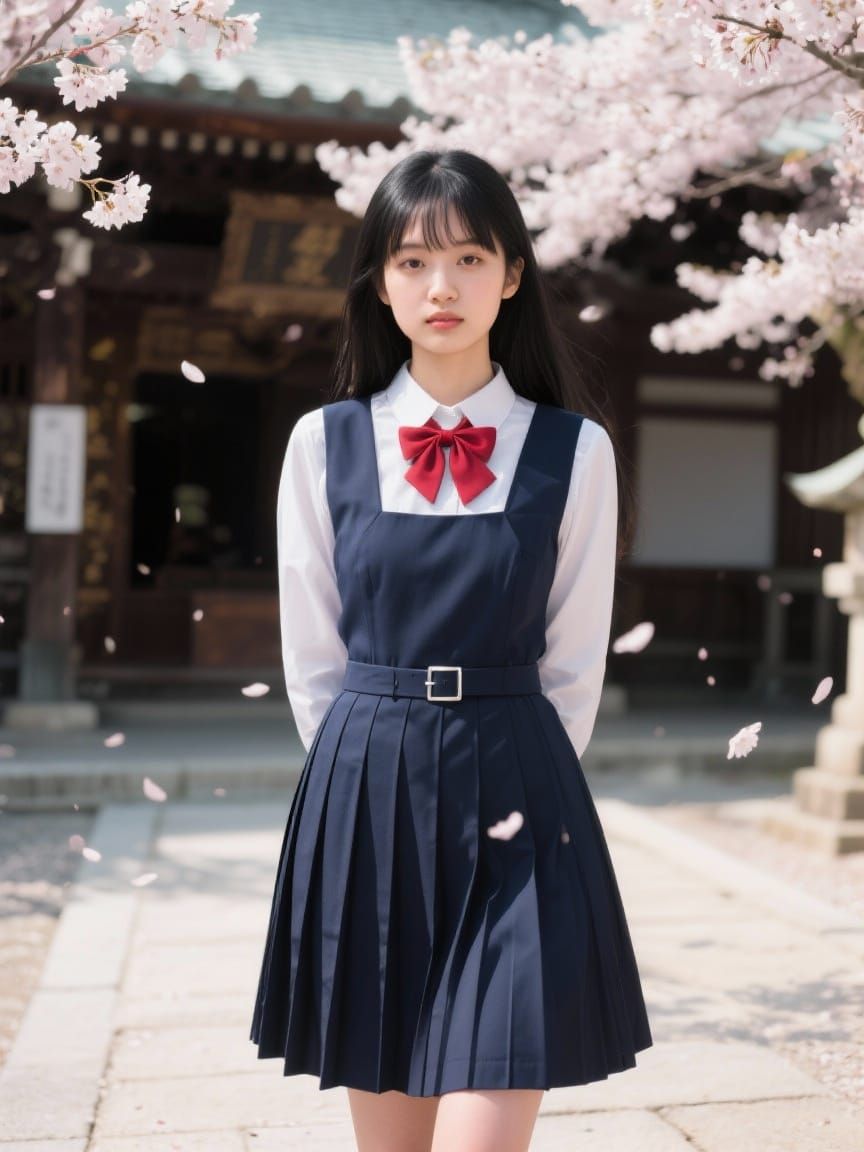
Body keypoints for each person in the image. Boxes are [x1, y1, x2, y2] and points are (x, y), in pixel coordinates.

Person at [249, 148, 653, 1152]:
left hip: (521, 791)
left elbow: (574, 658)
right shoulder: (323, 444)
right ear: (379, 284)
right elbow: (312, 649)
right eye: (413, 262)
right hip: (368, 789)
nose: (442, 287)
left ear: (512, 275)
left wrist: (517, 765)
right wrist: (361, 767)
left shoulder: (575, 451)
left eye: (470, 258)